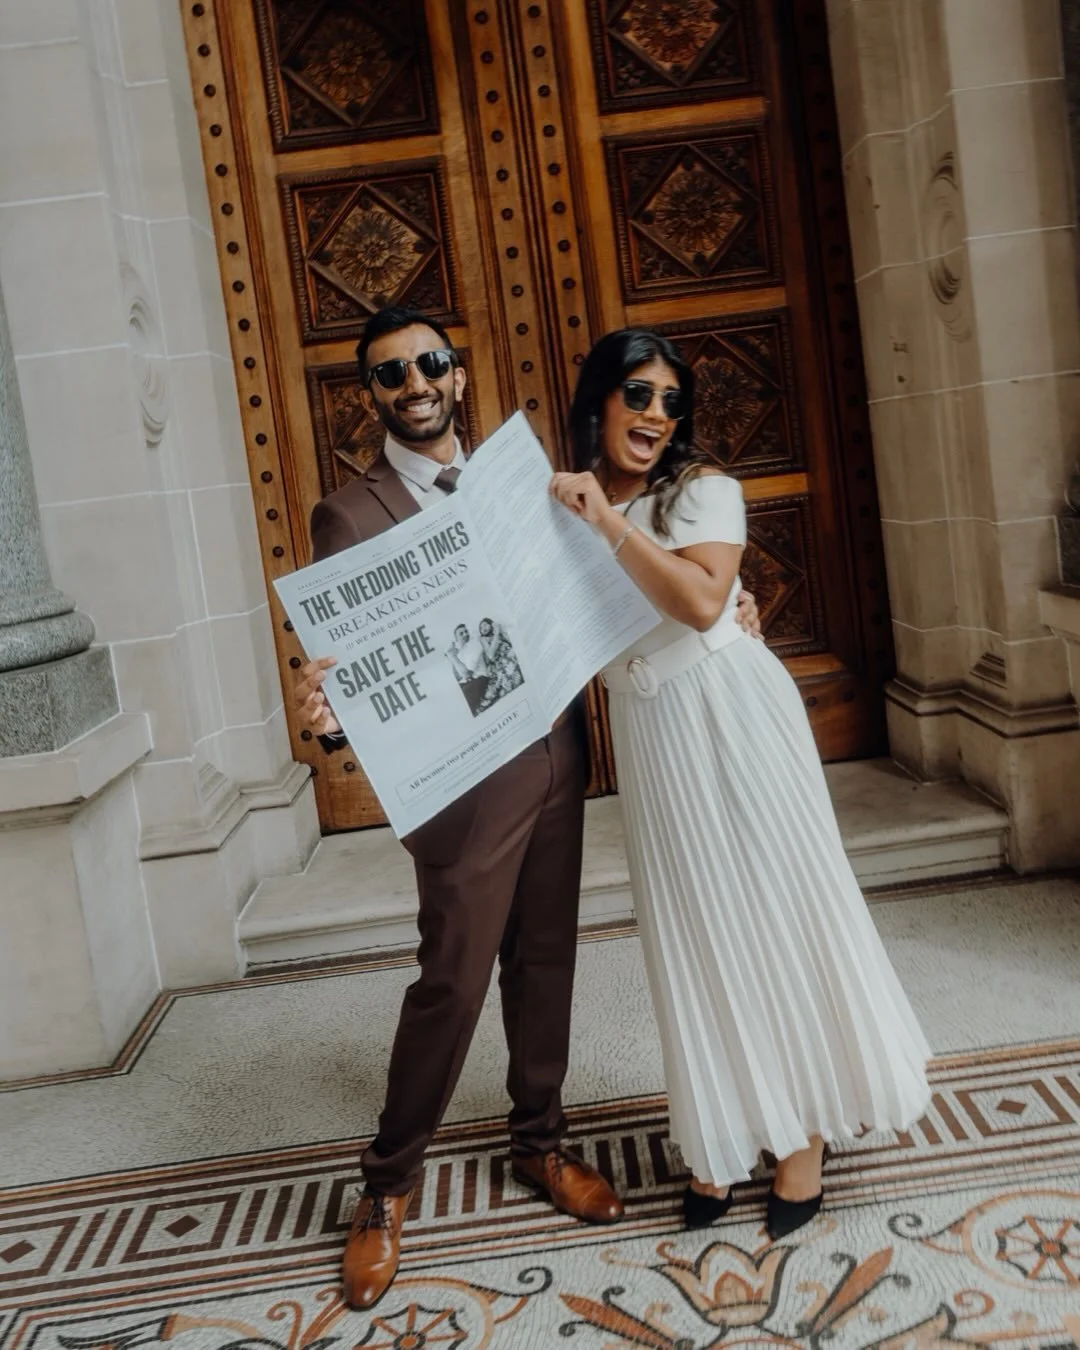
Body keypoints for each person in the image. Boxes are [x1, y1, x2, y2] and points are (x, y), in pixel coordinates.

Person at [291, 304, 765, 1306]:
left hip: (554, 750)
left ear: (457, 375)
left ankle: (539, 1143)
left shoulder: (532, 484)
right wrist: (324, 716)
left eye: (430, 364)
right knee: (454, 980)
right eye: (391, 375)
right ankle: (387, 1187)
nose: (415, 384)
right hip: (462, 781)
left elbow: (617, 583)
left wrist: (734, 609)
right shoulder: (347, 513)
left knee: (545, 958)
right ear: (369, 396)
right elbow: (354, 672)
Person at [550, 328, 931, 1240]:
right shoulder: (556, 511)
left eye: (671, 402)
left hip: (729, 708)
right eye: (637, 395)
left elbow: (701, 602)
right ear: (599, 399)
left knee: (772, 909)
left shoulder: (704, 490)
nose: (654, 416)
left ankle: (803, 1134)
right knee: (695, 927)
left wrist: (605, 520)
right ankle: (722, 1130)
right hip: (649, 730)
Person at [477, 617, 524, 710]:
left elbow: (512, 643)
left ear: (491, 624)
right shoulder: (484, 639)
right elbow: (490, 654)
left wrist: (500, 631)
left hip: (510, 657)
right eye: (481, 628)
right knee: (497, 686)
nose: (483, 628)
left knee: (506, 689)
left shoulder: (500, 633)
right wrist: (497, 634)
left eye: (485, 624)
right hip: (499, 663)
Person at [446, 623, 489, 714]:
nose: (465, 634)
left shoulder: (474, 644)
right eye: (461, 633)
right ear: (456, 639)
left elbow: (467, 674)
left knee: (461, 703)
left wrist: (453, 658)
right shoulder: (460, 652)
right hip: (469, 682)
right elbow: (458, 677)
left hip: (480, 679)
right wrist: (452, 659)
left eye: (466, 631)